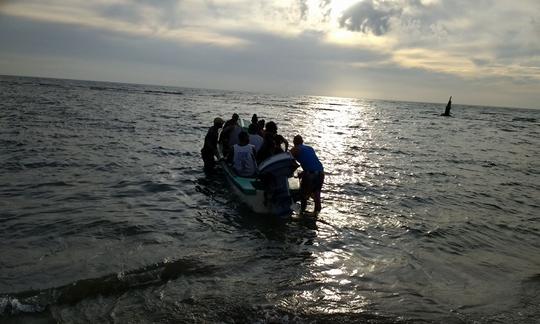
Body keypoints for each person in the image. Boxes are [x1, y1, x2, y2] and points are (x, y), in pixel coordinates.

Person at [290, 135, 324, 213]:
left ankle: (302, 214)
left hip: (310, 174)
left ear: (294, 142)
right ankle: (316, 216)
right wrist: (303, 173)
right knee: (317, 197)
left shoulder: (295, 149)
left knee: (303, 195)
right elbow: (311, 164)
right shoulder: (310, 148)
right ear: (302, 142)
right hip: (321, 173)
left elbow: (288, 161)